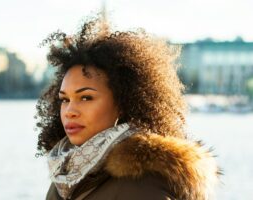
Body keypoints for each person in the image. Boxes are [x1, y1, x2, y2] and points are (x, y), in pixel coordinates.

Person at [36, 15, 221, 200]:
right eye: (64, 99)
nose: (70, 111)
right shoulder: (64, 178)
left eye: (86, 97)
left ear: (123, 103)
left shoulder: (143, 186)